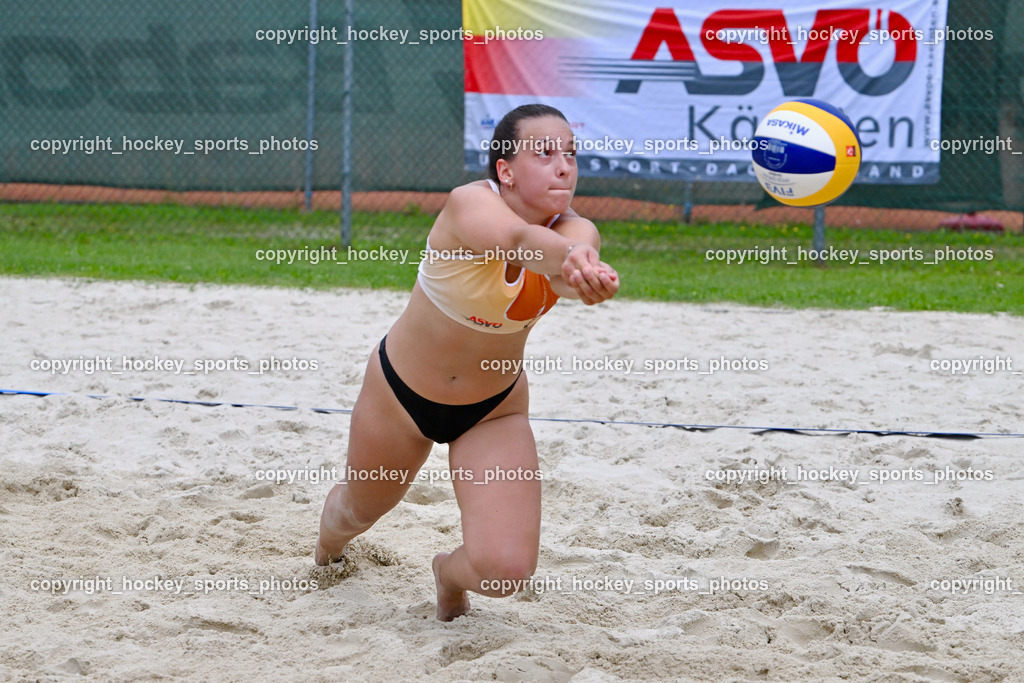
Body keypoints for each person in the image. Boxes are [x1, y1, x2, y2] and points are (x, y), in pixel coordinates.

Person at [315, 103, 620, 620]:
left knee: (504, 571)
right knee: (357, 511)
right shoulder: (467, 205)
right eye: (544, 153)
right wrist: (572, 263)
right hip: (400, 396)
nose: (564, 166)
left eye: (570, 153)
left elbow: (568, 270)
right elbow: (521, 242)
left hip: (493, 408)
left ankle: (448, 576)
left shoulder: (578, 232)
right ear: (505, 169)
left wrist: (585, 275)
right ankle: (327, 553)